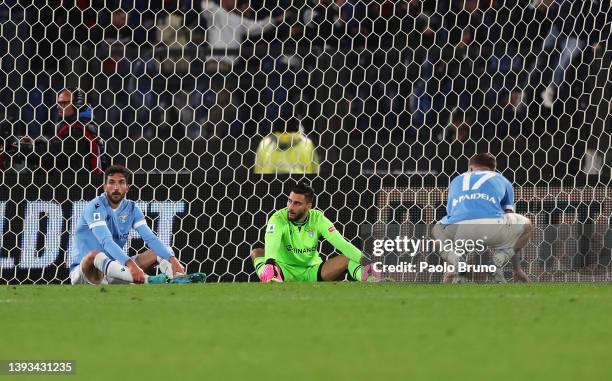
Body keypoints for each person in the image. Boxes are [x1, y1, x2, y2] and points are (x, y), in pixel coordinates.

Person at [69, 165, 206, 285]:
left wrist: (173, 260)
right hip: (87, 273)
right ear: (105, 187)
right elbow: (106, 241)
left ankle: (179, 278)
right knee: (94, 255)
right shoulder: (95, 206)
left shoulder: (132, 208)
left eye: (121, 182)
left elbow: (150, 238)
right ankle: (148, 280)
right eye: (111, 182)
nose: (116, 188)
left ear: (127, 187)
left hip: (115, 270)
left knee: (163, 251)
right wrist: (131, 265)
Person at [251, 182, 379, 282]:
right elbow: (272, 241)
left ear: (308, 206)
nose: (290, 207)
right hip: (283, 271)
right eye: (290, 201)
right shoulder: (278, 218)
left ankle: (372, 279)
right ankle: (271, 277)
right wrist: (270, 262)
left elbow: (342, 244)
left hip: (312, 271)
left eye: (297, 203)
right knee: (257, 252)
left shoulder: (318, 219)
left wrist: (367, 262)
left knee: (347, 258)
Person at [432, 153, 532, 283]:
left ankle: (456, 261)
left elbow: (452, 216)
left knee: (437, 229)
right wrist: (517, 269)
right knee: (526, 225)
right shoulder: (502, 179)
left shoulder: (456, 180)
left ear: (471, 168)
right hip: (493, 230)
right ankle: (498, 260)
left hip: (461, 233)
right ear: (492, 169)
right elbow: (509, 215)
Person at [253, 117, 319, 174]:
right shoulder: (306, 143)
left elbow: (257, 169)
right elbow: (315, 170)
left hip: (268, 186)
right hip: (298, 185)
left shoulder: (265, 143)